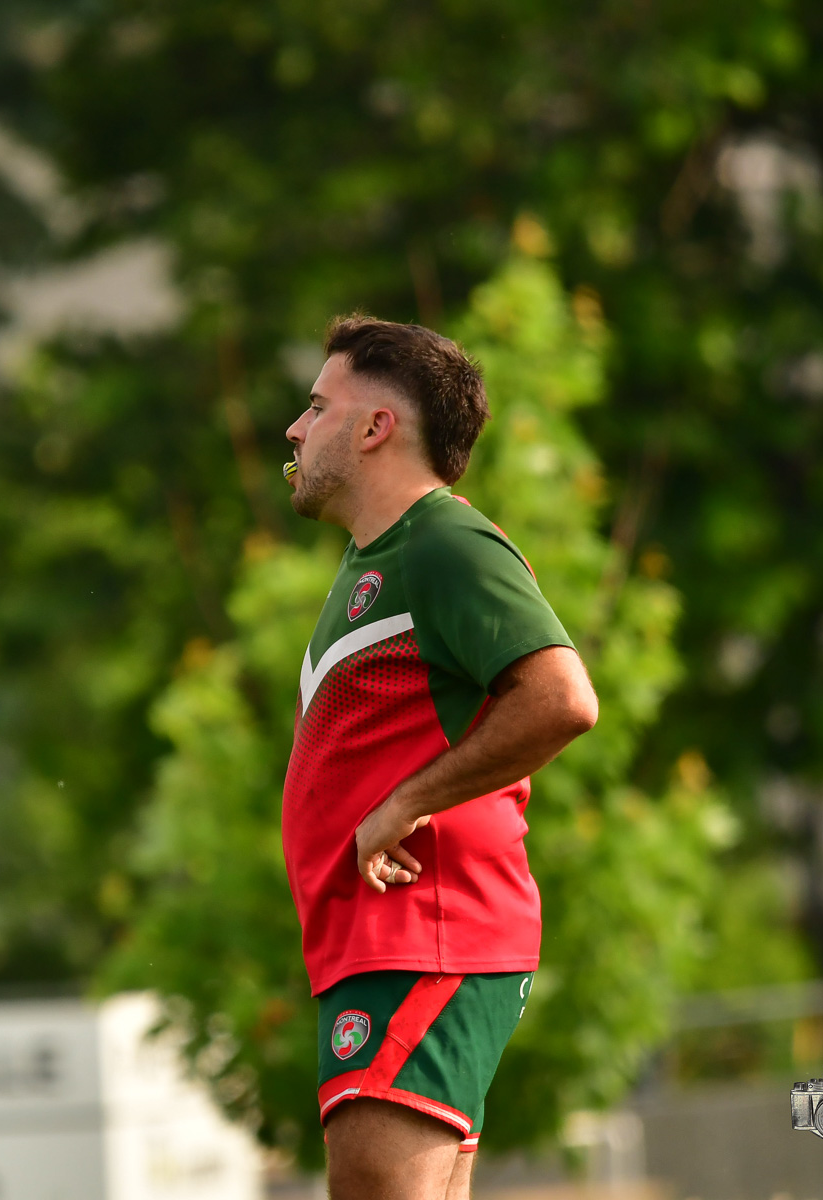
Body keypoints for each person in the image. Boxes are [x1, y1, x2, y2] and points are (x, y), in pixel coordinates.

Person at [280, 316, 599, 1200]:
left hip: (428, 935)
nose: (296, 430)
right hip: (381, 943)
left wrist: (405, 802)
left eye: (316, 407)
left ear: (375, 428)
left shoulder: (445, 544)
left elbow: (563, 697)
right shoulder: (371, 563)